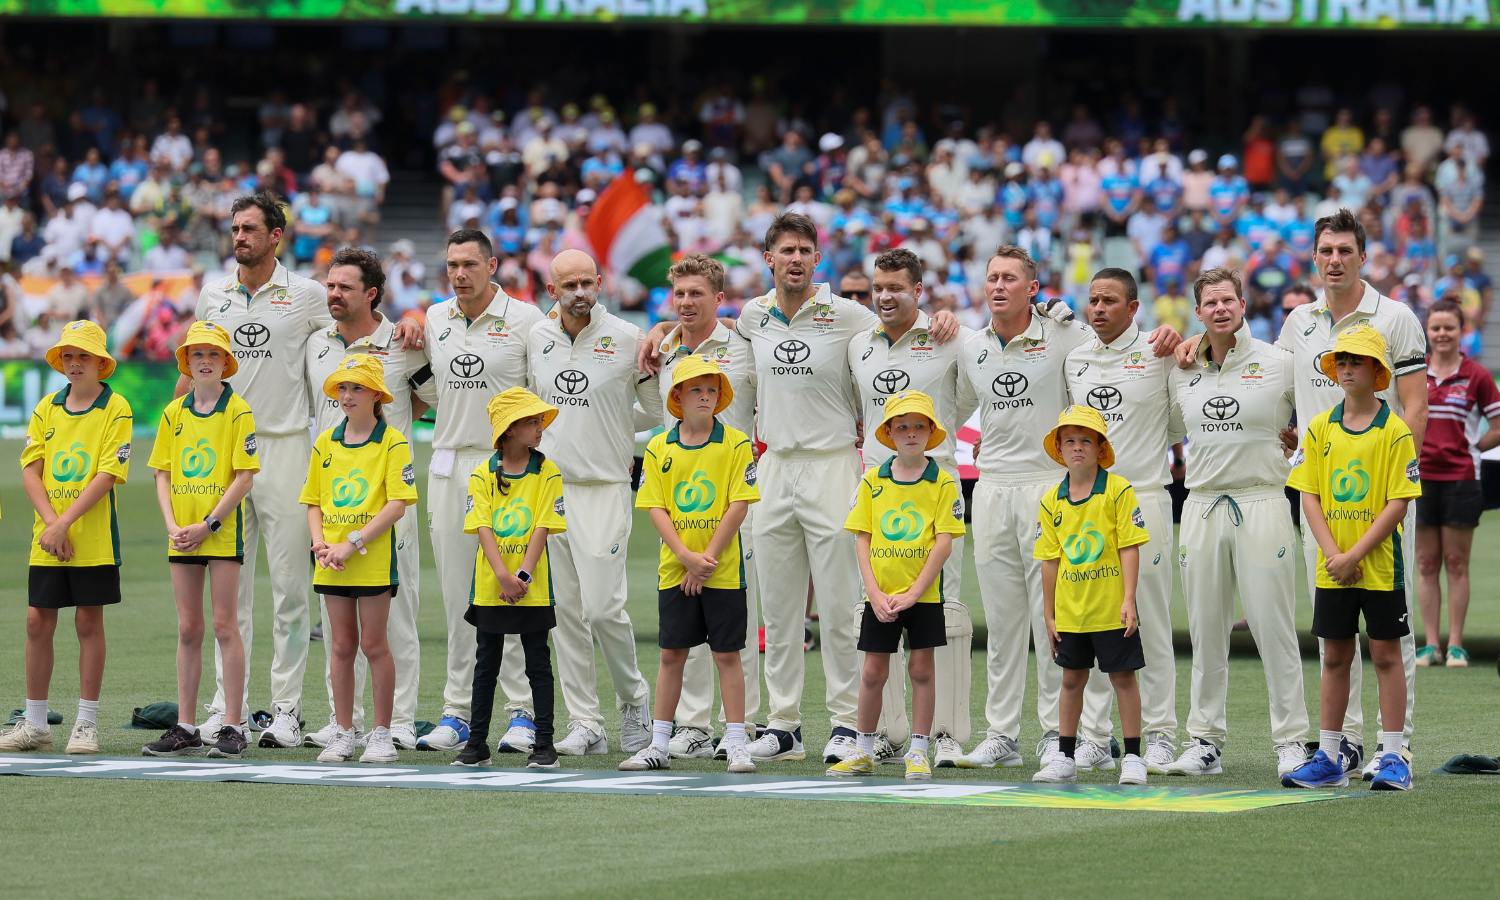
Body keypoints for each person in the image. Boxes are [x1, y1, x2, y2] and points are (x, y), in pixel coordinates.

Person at [638, 213, 959, 765]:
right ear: (768, 258)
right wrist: (660, 333)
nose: (795, 258)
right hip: (775, 463)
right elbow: (700, 332)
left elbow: (897, 317)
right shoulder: (754, 318)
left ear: (817, 258)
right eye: (785, 249)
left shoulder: (847, 314)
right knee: (778, 608)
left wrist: (939, 318)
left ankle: (841, 722)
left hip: (833, 462)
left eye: (804, 250)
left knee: (838, 604)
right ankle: (783, 725)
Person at [1176, 207, 1427, 779]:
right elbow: (1270, 385)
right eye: (1326, 251)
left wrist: (1395, 481)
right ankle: (1345, 743)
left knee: (1390, 628)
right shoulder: (1298, 324)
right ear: (1314, 258)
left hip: (1381, 497)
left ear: (1363, 255)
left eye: (1345, 250)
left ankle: (1398, 747)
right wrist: (1200, 340)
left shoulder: (1396, 317)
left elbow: (1415, 409)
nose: (1334, 260)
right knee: (1333, 627)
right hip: (1320, 501)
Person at [186, 194, 332, 746]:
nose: (238, 235)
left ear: (276, 236)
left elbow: (354, 329)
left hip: (286, 448)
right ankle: (230, 707)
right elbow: (200, 370)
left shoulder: (307, 295)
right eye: (234, 227)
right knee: (230, 595)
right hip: (225, 455)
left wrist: (406, 328)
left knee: (293, 589)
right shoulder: (213, 294)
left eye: (249, 228)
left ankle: (287, 709)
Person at [1165, 269, 1308, 779]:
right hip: (1200, 503)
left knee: (1274, 628)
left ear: (1243, 305)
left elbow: (1318, 417)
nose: (1220, 308)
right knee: (1205, 631)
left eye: (1229, 299)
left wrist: (1298, 445)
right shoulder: (1180, 368)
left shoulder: (1280, 363)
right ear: (1198, 312)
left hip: (1263, 500)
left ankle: (1292, 741)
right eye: (1210, 302)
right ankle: (1204, 741)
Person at [412, 229, 543, 754]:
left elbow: (541, 393)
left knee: (506, 591)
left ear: (493, 265)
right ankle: (457, 712)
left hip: (504, 466)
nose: (459, 273)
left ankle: (523, 713)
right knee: (454, 599)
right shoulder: (436, 318)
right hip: (448, 462)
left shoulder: (526, 320)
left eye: (469, 264)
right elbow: (429, 390)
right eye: (452, 265)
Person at [846, 248, 976, 768]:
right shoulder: (859, 344)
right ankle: (882, 735)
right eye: (878, 286)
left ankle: (942, 734)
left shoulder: (950, 337)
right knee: (877, 610)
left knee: (944, 615)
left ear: (918, 291)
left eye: (896, 286)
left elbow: (966, 398)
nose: (884, 295)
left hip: (935, 489)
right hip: (878, 490)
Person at [527, 248, 661, 756]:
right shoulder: (535, 338)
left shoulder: (628, 339)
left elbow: (654, 409)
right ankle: (587, 722)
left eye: (587, 282)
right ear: (552, 291)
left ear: (600, 283)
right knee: (565, 614)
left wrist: (608, 425)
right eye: (569, 285)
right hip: (552, 490)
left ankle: (634, 702)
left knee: (605, 609)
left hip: (605, 487)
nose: (579, 291)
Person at [1283, 326, 1419, 792]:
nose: (1346, 368)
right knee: (1335, 656)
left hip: (1379, 566)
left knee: (1385, 655)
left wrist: (1356, 553)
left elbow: (1398, 502)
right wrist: (1334, 554)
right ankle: (1328, 756)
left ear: (1377, 371)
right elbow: (1309, 495)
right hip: (1333, 566)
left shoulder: (1395, 431)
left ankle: (1394, 755)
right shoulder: (1320, 426)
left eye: (1356, 361)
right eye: (1341, 361)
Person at [303, 248, 429, 751]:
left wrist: (390, 426)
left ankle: (396, 722)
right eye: (330, 285)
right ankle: (344, 722)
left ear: (370, 293)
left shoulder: (401, 340)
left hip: (385, 500)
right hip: (332, 498)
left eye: (344, 287)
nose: (332, 294)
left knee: (395, 617)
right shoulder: (316, 342)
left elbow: (432, 396)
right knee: (338, 630)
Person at [1062, 269, 1182, 773]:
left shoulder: (1159, 354)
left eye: (1110, 300)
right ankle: (1094, 736)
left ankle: (1159, 734)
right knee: (1091, 618)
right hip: (1089, 504)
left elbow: (1178, 421)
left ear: (1134, 308)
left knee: (1147, 621)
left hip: (1145, 498)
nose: (1099, 309)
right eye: (1093, 300)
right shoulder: (1076, 358)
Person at [623, 357, 760, 774]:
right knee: (671, 655)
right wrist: (685, 558)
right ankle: (659, 744)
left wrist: (706, 560)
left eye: (711, 390)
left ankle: (736, 743)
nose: (704, 396)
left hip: (723, 571)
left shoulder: (736, 443)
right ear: (677, 397)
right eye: (695, 390)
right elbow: (655, 507)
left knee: (726, 656)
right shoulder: (660, 446)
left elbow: (739, 505)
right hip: (675, 572)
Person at [1, 322, 131, 755]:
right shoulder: (46, 407)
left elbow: (108, 473)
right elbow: (30, 470)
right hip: (48, 539)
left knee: (87, 622)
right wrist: (51, 524)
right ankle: (35, 724)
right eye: (68, 356)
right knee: (37, 622)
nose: (75, 364)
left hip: (92, 538)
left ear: (100, 362)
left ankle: (86, 724)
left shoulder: (116, 407)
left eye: (84, 356)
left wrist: (65, 523)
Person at [652, 255, 761, 761]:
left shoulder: (746, 342)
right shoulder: (664, 348)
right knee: (681, 641)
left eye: (697, 294)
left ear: (719, 298)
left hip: (739, 493)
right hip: (684, 508)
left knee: (735, 630)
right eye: (680, 295)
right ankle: (691, 726)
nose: (687, 303)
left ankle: (742, 728)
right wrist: (652, 333)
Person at [829, 391, 966, 781]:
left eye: (919, 426)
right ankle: (864, 750)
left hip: (923, 597)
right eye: (901, 426)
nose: (910, 433)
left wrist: (914, 592)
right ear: (888, 433)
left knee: (922, 670)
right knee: (873, 672)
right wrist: (873, 592)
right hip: (880, 596)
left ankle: (919, 752)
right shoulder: (873, 480)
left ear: (931, 432)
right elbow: (862, 537)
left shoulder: (941, 482)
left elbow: (944, 542)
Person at [142, 322, 257, 760]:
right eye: (196, 355)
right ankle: (186, 726)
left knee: (225, 625)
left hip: (219, 533)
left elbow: (243, 477)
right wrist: (173, 524)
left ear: (225, 362)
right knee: (189, 628)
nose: (204, 361)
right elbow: (162, 473)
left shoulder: (238, 411)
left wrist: (208, 524)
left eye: (213, 355)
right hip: (182, 536)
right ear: (186, 364)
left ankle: (232, 726)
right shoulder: (174, 413)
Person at [300, 354, 419, 764]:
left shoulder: (393, 441)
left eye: (356, 388)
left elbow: (398, 504)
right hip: (330, 560)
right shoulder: (325, 442)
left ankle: (382, 735)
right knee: (341, 645)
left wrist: (352, 543)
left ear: (376, 395)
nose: (347, 396)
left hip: (369, 559)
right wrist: (320, 544)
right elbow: (312, 502)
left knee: (373, 643)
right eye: (342, 389)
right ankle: (343, 732)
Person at [1031, 406, 1150, 786]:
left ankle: (1133, 757)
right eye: (1070, 441)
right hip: (1071, 613)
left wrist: (1129, 599)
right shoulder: (1051, 500)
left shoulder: (1118, 490)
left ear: (1101, 448)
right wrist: (1049, 615)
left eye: (1086, 440)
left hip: (1112, 611)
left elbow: (1130, 547)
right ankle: (1065, 756)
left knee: (1124, 680)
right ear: (1059, 448)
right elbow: (1050, 561)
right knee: (1070, 681)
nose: (1077, 447)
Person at [452, 387, 566, 771]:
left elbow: (544, 525)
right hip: (490, 587)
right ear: (509, 428)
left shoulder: (547, 470)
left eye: (539, 421)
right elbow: (481, 524)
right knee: (487, 664)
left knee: (538, 663)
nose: (539, 428)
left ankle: (544, 744)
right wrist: (502, 575)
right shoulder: (483, 472)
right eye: (531, 422)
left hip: (531, 588)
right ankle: (476, 743)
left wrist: (521, 574)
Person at [1415, 300, 1500, 668]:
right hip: (1417, 481)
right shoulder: (1414, 372)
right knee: (1426, 562)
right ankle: (1431, 644)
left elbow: (1497, 426)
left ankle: (1456, 646)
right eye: (1436, 327)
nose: (1442, 334)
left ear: (1462, 330)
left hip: (1462, 480)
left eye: (1449, 327)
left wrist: (1472, 448)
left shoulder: (1477, 375)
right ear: (1427, 331)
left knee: (1457, 563)